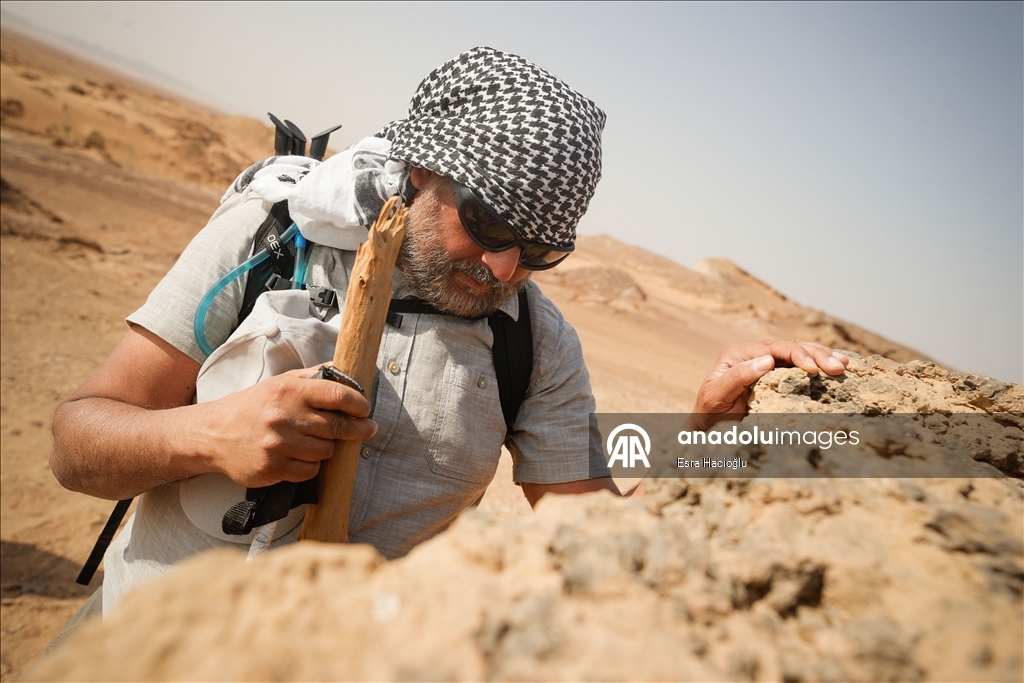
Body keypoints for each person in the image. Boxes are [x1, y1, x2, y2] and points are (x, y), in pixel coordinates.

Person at [48, 47, 848, 621]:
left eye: (540, 252)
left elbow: (593, 529)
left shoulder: (535, 343)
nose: (504, 268)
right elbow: (76, 443)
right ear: (422, 170)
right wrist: (206, 433)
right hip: (138, 644)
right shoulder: (268, 240)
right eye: (490, 223)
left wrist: (702, 430)